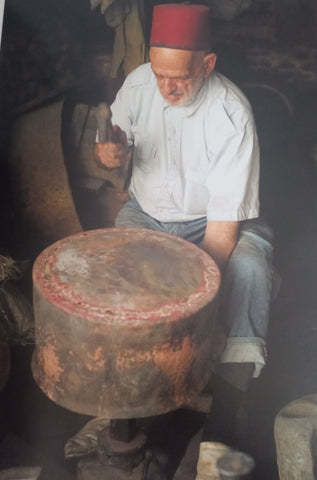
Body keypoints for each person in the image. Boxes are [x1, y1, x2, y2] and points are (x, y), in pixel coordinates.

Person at [94, 3, 279, 449]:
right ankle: (130, 394)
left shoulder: (232, 113)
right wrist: (109, 154)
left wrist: (197, 310)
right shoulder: (139, 85)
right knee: (116, 269)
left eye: (180, 77)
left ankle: (229, 407)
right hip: (147, 214)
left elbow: (221, 231)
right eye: (159, 74)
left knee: (250, 269)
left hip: (213, 223)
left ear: (208, 64)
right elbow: (109, 146)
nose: (166, 87)